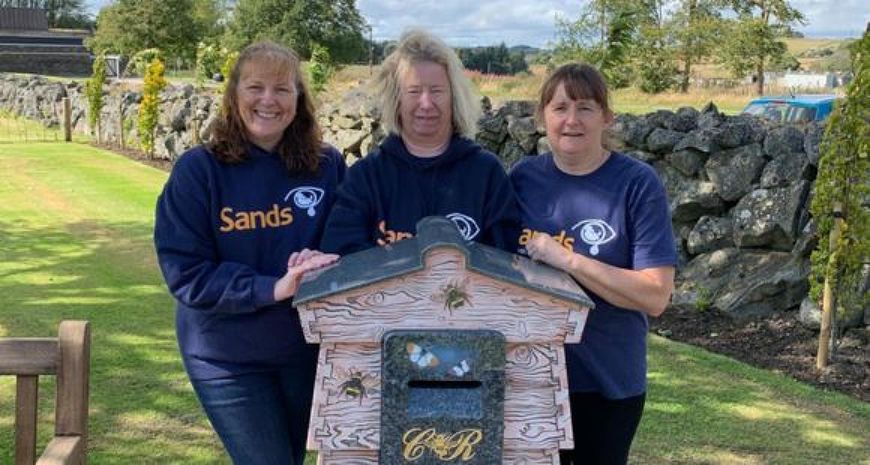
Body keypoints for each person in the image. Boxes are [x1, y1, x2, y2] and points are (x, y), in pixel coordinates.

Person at [153, 41, 344, 465]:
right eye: (255, 87)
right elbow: (186, 273)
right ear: (234, 94)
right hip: (226, 357)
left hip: (305, 350)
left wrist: (328, 260)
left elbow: (348, 242)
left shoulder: (326, 166)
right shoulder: (198, 171)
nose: (268, 100)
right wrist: (273, 287)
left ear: (299, 98)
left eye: (282, 88)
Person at [509, 63, 677, 465]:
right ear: (542, 118)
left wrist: (568, 260)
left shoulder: (637, 184)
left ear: (607, 117)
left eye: (585, 108)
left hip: (607, 384)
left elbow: (655, 296)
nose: (571, 120)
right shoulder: (522, 179)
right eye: (560, 107)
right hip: (529, 380)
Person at [320, 29, 520, 254]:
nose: (426, 103)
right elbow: (340, 257)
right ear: (396, 100)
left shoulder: (487, 173)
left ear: (454, 98)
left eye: (437, 91)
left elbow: (507, 261)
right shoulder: (365, 177)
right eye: (413, 91)